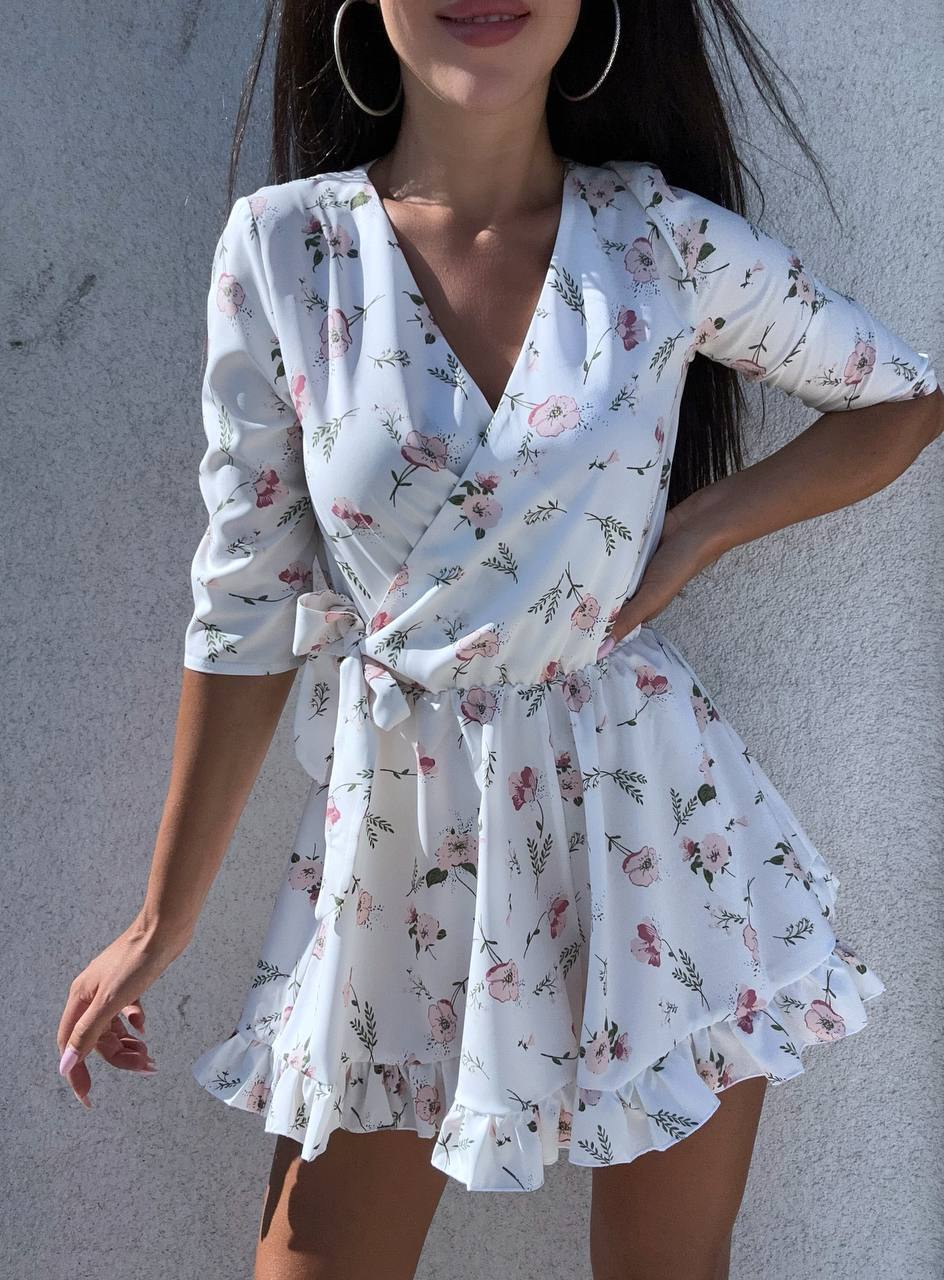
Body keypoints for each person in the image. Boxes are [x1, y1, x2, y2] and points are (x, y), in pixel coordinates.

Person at [57, 1, 942, 1276]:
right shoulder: (289, 249)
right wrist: (160, 919)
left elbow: (900, 398)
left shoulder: (659, 240)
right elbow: (242, 600)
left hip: (648, 837)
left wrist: (696, 529)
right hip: (394, 851)